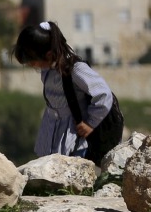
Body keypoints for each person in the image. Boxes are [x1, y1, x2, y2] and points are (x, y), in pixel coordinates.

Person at [11, 20, 114, 158]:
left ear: (48, 55)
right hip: (52, 129)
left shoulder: (76, 69)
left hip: (73, 136)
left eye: (33, 61)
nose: (31, 65)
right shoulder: (48, 68)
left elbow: (103, 94)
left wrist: (90, 123)